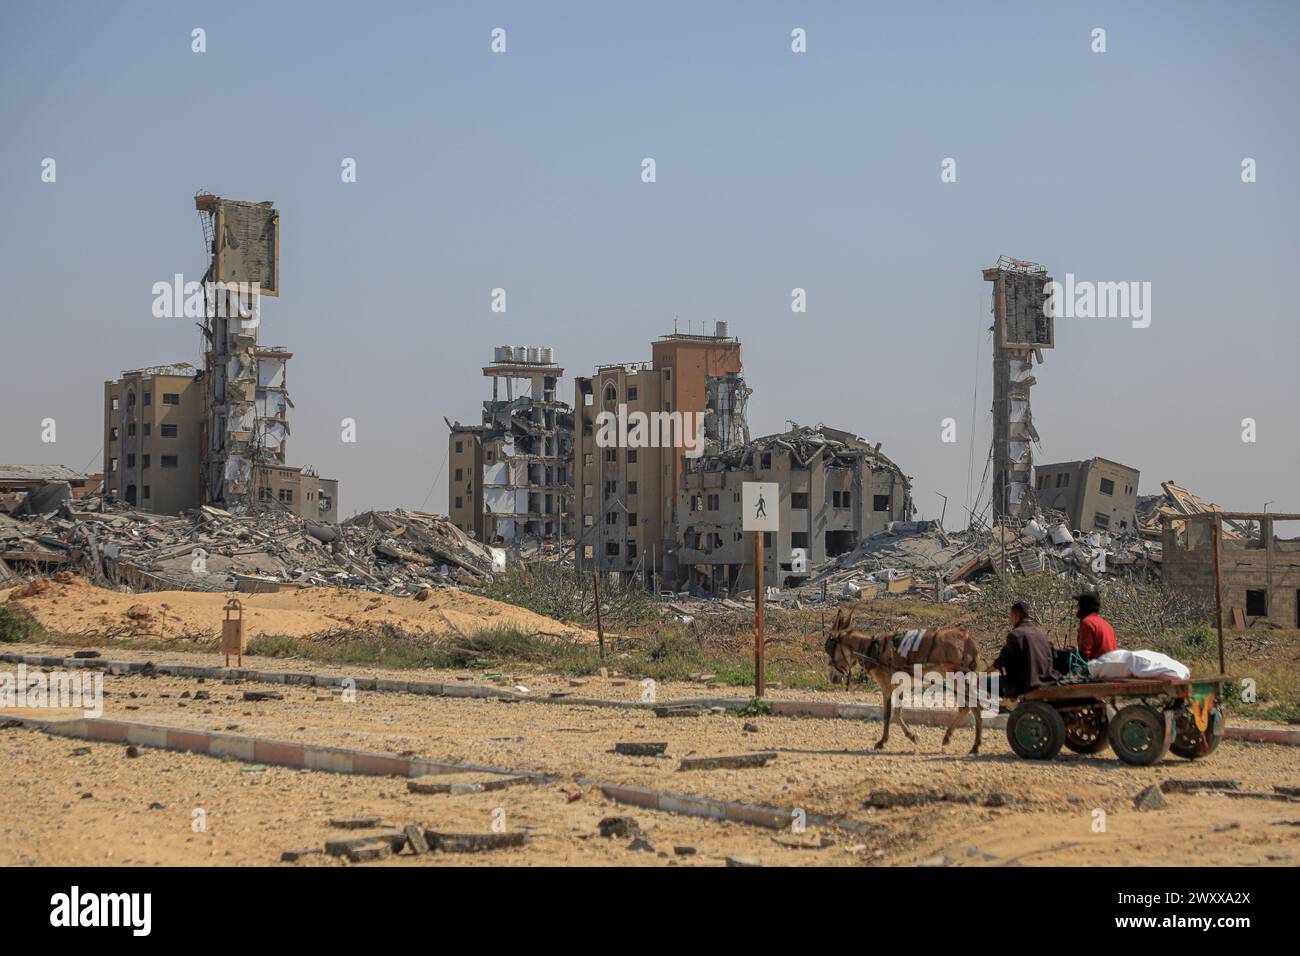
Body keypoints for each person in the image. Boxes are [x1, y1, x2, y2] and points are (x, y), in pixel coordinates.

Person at [991, 602, 1059, 698]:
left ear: (1015, 616)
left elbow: (1001, 661)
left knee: (984, 683)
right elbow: (1054, 654)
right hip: (1048, 678)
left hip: (1026, 682)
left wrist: (982, 675)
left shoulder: (1015, 635)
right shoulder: (1040, 632)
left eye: (1011, 616)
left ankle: (1006, 705)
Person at [1075, 591, 1118, 661]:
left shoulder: (1088, 623)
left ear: (1083, 606)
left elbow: (1084, 654)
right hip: (1111, 666)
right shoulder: (1104, 623)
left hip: (1098, 667)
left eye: (1078, 604)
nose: (1077, 607)